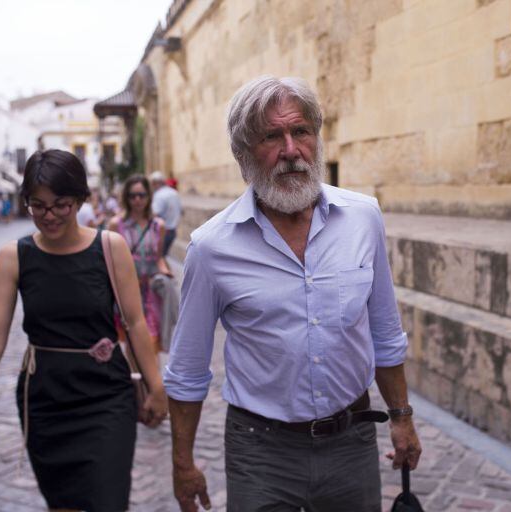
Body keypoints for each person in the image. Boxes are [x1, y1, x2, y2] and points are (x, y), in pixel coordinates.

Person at [165, 76, 421, 512]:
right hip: (259, 452)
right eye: (271, 136)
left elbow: (384, 331)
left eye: (300, 131)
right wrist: (182, 463)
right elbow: (187, 369)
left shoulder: (364, 218)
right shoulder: (212, 248)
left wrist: (402, 417)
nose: (290, 150)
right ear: (244, 155)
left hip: (352, 442)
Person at [0, 149, 168, 512]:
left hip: (105, 396)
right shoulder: (14, 257)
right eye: (38, 205)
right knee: (62, 505)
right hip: (45, 399)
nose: (48, 215)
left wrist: (156, 388)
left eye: (60, 204)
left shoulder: (109, 248)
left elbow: (136, 322)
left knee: (108, 502)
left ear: (80, 199)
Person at [108, 175, 172, 354]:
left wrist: (166, 273)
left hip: (151, 290)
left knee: (152, 339)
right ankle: (137, 381)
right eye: (132, 195)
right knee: (132, 340)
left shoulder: (158, 225)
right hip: (128, 290)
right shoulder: (116, 225)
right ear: (126, 197)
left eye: (141, 195)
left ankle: (152, 381)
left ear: (149, 197)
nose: (137, 200)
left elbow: (159, 258)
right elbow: (111, 260)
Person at [149, 171, 181, 257]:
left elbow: (154, 213)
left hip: (163, 232)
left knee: (159, 258)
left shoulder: (159, 195)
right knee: (162, 257)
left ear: (156, 183)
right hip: (172, 231)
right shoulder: (174, 192)